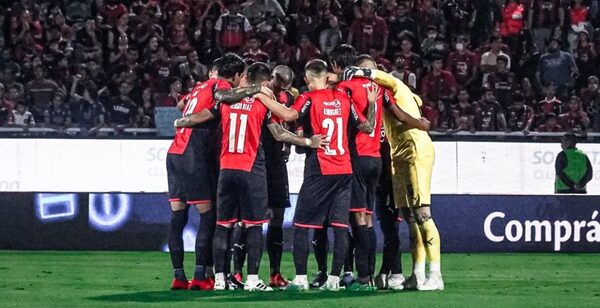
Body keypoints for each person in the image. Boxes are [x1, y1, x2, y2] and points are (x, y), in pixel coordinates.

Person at [255, 59, 375, 291]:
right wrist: (370, 104)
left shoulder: (308, 98)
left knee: (301, 224)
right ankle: (333, 280)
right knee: (340, 226)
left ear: (309, 79)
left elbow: (289, 116)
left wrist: (263, 98)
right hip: (344, 169)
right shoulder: (344, 98)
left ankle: (300, 279)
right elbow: (368, 127)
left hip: (321, 168)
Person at [331, 45, 430, 291]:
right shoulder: (382, 91)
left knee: (369, 221)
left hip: (365, 161)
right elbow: (401, 116)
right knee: (371, 220)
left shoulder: (350, 89)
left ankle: (374, 274)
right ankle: (377, 274)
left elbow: (354, 120)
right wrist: (421, 123)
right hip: (377, 162)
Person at [166, 54, 251, 291]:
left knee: (178, 217)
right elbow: (219, 103)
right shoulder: (221, 85)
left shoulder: (198, 87)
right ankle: (201, 275)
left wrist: (186, 118)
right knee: (208, 215)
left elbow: (180, 105)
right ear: (234, 76)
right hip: (193, 153)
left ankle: (178, 276)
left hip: (175, 152)